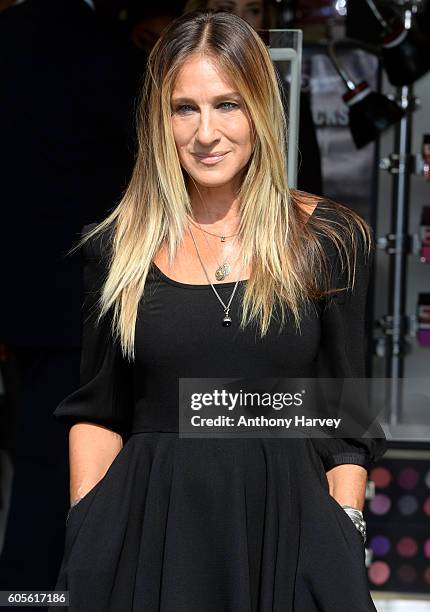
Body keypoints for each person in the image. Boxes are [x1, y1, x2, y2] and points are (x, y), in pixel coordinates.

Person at [50, 10, 386, 611]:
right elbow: (99, 409)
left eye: (227, 104)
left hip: (289, 534)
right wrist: (89, 527)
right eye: (185, 108)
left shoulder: (328, 239)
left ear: (262, 108)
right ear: (161, 118)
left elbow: (347, 419)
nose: (206, 133)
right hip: (150, 537)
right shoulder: (118, 246)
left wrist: (343, 529)